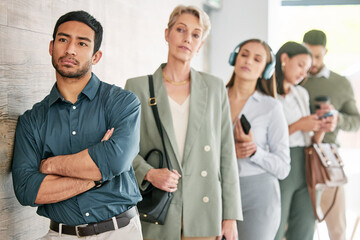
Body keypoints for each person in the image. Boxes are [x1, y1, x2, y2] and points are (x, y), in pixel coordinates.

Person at [11, 11, 143, 240]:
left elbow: (115, 160)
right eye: (63, 40)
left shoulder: (123, 103)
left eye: (82, 43)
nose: (70, 49)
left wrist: (50, 165)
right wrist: (98, 171)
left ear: (96, 56)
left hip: (120, 233)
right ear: (51, 47)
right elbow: (27, 190)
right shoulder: (32, 120)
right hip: (60, 235)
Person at [125, 5, 242, 240]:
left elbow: (226, 154)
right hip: (157, 210)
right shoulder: (137, 87)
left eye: (196, 34)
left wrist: (230, 216)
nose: (187, 38)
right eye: (181, 29)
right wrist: (147, 173)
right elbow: (122, 149)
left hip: (205, 210)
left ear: (201, 45)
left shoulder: (215, 87)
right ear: (167, 34)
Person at [226, 39, 290, 240]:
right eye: (244, 54)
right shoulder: (214, 99)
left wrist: (255, 152)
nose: (248, 61)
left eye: (257, 59)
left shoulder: (271, 107)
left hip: (259, 194)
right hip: (218, 189)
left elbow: (283, 168)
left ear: (267, 69)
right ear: (235, 58)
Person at [302, 29, 360, 240]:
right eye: (309, 55)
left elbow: (356, 122)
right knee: (299, 227)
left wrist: (337, 118)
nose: (313, 61)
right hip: (296, 158)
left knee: (337, 229)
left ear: (326, 52)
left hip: (327, 160)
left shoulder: (340, 83)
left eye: (318, 56)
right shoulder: (295, 79)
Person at [273, 41, 325, 240]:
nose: (304, 73)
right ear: (284, 59)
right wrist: (297, 126)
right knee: (275, 226)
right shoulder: (267, 93)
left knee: (304, 226)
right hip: (280, 163)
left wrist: (319, 130)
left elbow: (310, 139)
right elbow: (264, 141)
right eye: (301, 65)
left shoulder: (301, 93)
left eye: (307, 68)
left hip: (306, 163)